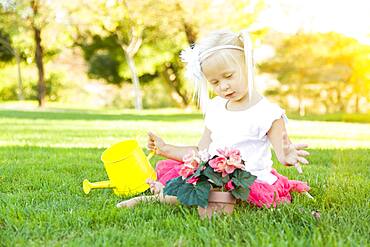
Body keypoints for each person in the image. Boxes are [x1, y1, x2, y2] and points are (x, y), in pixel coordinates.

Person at [117, 29, 312, 209]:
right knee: (198, 183)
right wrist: (165, 149)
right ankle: (165, 193)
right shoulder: (216, 108)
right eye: (215, 82)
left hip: (247, 180)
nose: (223, 86)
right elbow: (201, 153)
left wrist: (287, 156)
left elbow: (282, 150)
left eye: (228, 76)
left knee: (213, 193)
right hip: (213, 175)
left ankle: (158, 197)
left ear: (248, 66)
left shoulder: (267, 113)